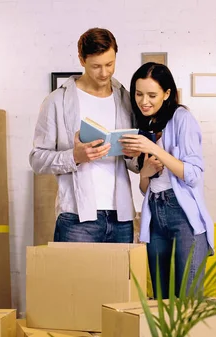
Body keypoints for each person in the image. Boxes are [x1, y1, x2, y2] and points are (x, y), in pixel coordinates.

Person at [29, 27, 140, 243]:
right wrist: (75, 157)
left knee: (118, 279)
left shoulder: (125, 99)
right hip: (76, 217)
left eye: (110, 64)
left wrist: (132, 153)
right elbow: (37, 159)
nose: (104, 73)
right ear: (81, 60)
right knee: (73, 278)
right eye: (96, 66)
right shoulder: (56, 101)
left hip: (121, 216)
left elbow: (135, 162)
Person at [119, 62, 214, 298]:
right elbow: (145, 189)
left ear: (167, 93)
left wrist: (154, 149)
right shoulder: (146, 124)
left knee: (188, 300)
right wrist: (144, 173)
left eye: (152, 95)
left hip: (182, 216)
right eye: (139, 94)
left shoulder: (182, 119)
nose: (144, 101)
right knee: (161, 300)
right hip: (154, 214)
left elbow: (192, 175)